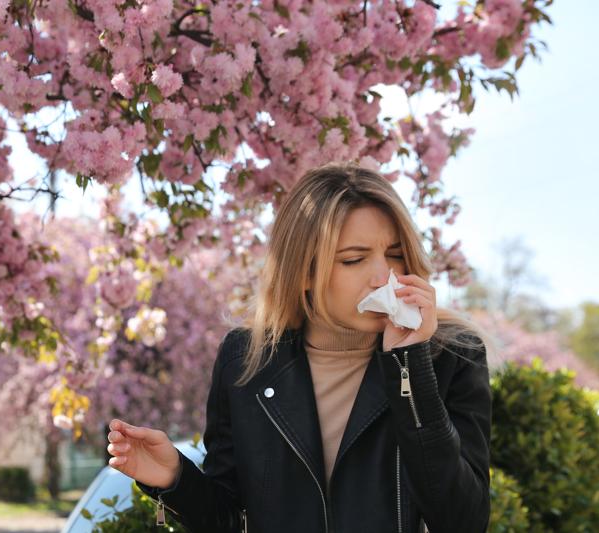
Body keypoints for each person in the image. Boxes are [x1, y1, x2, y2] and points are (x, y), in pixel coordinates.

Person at [105, 163, 494, 532]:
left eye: (395, 254)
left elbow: (462, 521)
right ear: (304, 272)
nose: (384, 277)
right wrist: (175, 478)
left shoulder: (451, 356)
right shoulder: (246, 359)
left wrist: (410, 364)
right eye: (354, 259)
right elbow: (231, 518)